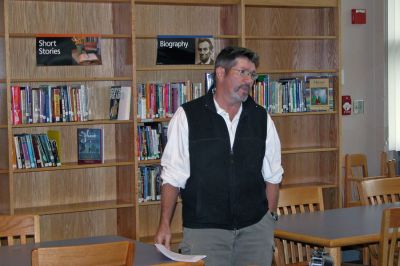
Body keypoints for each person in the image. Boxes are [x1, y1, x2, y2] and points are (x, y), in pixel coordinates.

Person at [155, 46, 283, 266]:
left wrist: (267, 222)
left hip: (254, 232)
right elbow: (173, 176)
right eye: (242, 72)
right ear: (220, 73)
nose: (248, 80)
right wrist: (164, 224)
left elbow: (273, 175)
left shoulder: (261, 118)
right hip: (205, 232)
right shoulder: (188, 116)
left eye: (252, 75)